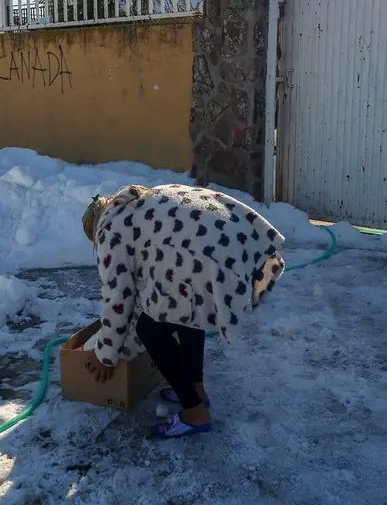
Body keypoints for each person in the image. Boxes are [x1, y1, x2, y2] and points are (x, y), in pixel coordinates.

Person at [80, 183, 286, 438]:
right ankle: (195, 388)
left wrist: (105, 356)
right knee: (187, 310)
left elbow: (118, 299)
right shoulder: (139, 202)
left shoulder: (109, 229)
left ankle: (194, 412)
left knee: (150, 328)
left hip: (211, 256)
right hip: (234, 240)